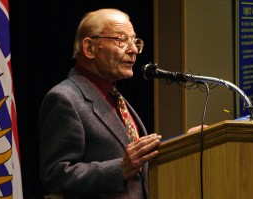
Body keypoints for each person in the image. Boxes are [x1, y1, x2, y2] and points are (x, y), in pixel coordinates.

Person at [38, 8, 162, 199]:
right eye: (121, 40)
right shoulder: (65, 98)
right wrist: (119, 168)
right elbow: (55, 175)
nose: (134, 50)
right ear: (89, 48)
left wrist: (186, 144)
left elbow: (138, 166)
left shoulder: (114, 97)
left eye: (134, 41)